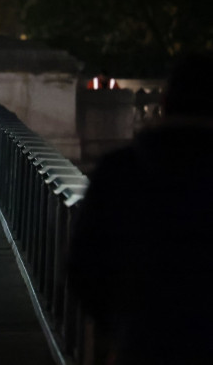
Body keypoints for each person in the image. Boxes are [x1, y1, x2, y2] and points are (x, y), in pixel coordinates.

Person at [68, 53, 213, 364]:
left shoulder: (119, 170)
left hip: (143, 340)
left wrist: (121, 325)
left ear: (166, 100)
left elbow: (84, 265)